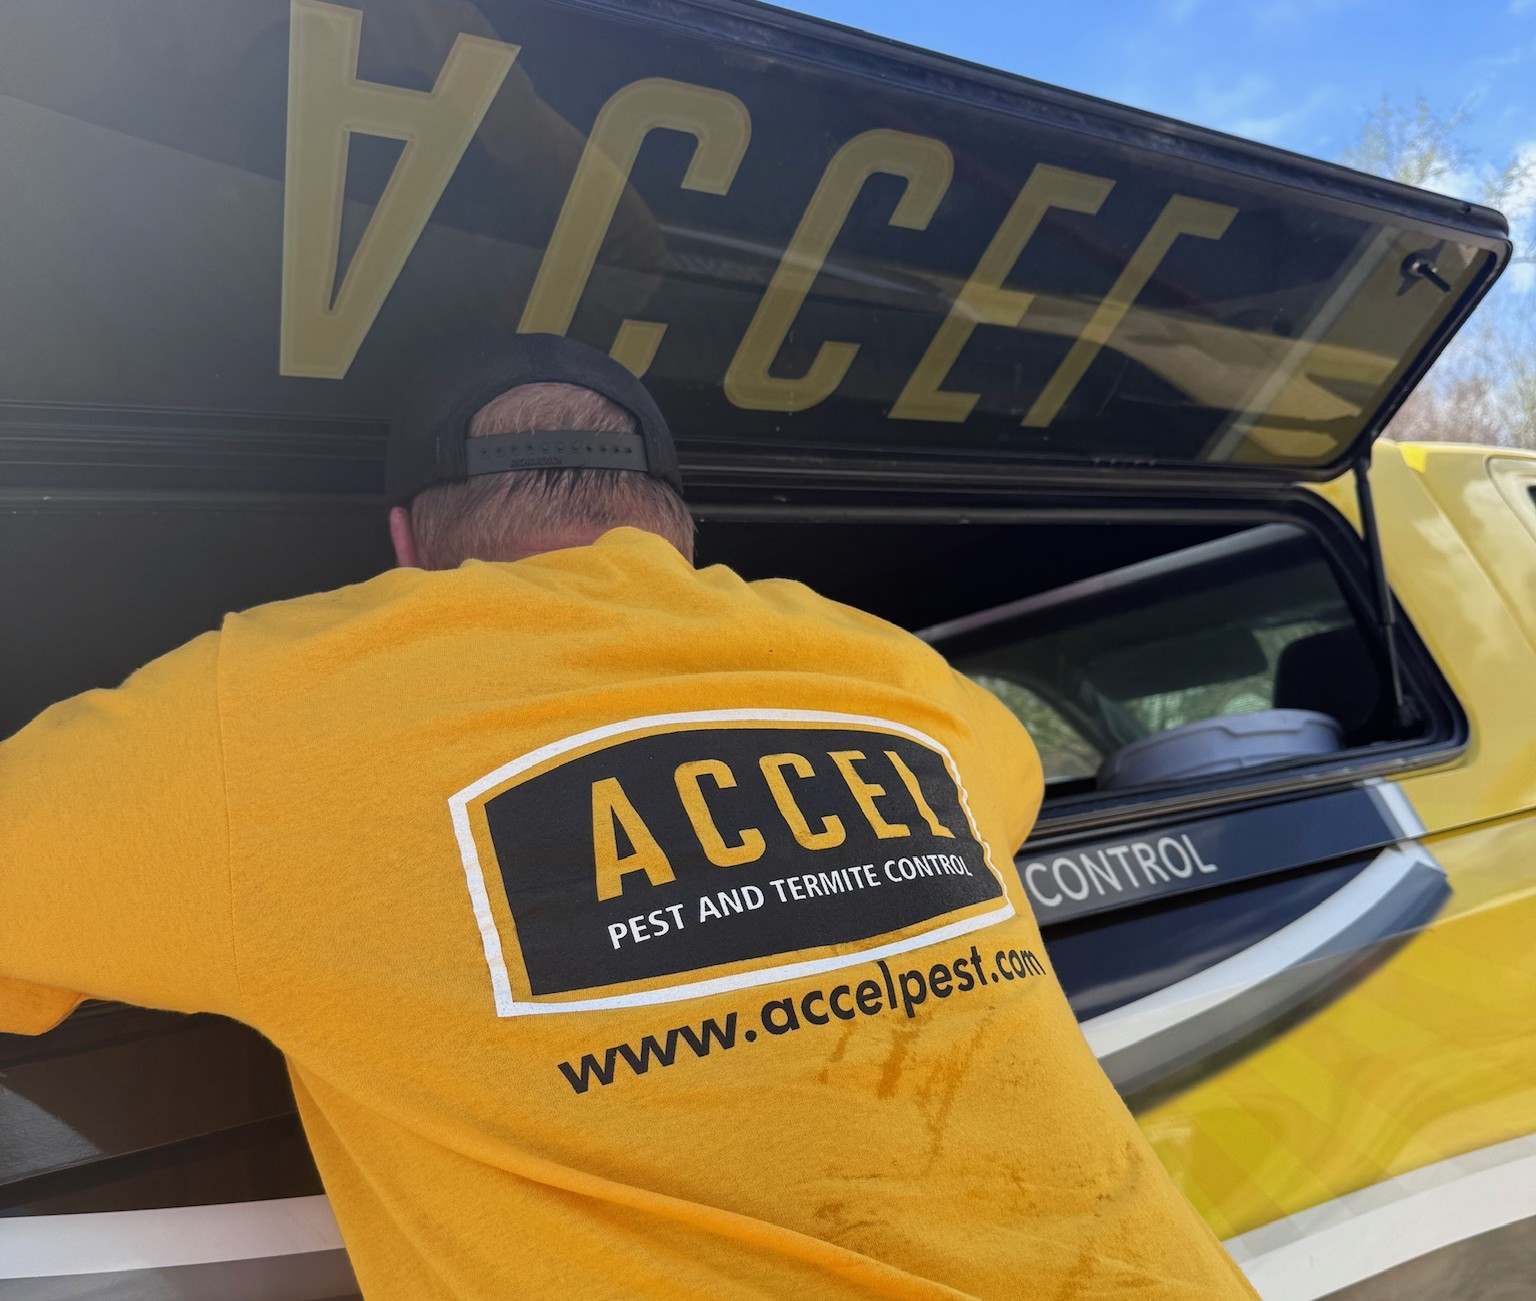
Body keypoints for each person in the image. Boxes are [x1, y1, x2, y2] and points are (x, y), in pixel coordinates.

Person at [0, 333, 1256, 1299]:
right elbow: (1006, 791)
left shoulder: (259, 714)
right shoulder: (886, 670)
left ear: (400, 541)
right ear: (673, 522)